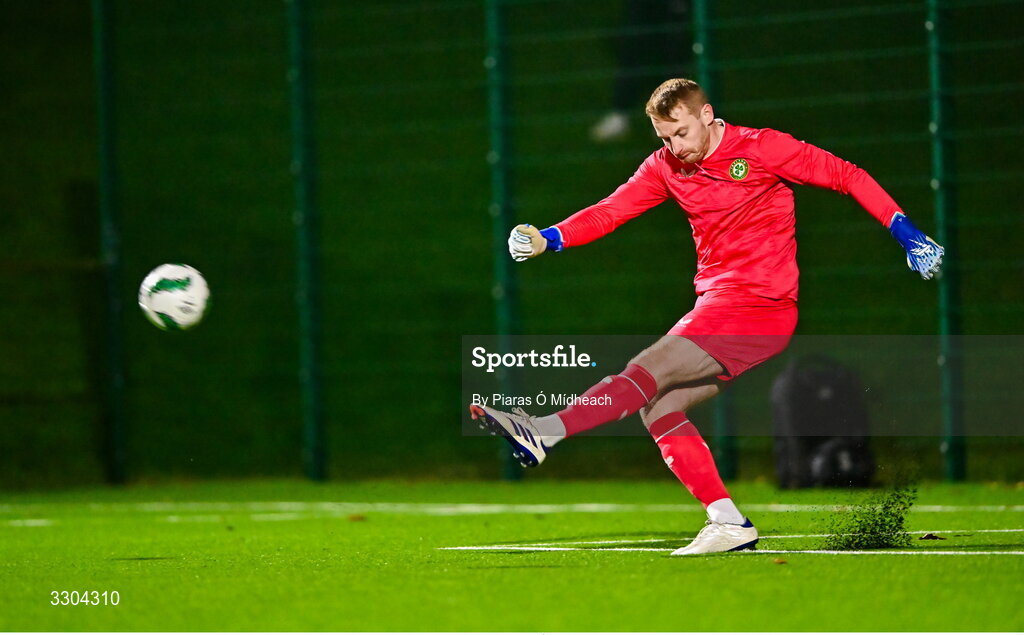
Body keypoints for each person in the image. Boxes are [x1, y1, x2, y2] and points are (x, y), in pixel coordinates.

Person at [469, 78, 944, 555]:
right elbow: (611, 210)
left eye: (680, 133)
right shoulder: (666, 167)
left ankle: (545, 430)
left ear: (707, 115)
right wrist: (550, 237)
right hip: (719, 306)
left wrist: (905, 231)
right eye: (663, 138)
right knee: (658, 408)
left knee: (645, 371)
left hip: (758, 308)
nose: (674, 147)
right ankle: (729, 522)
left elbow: (848, 175)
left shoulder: (762, 148)